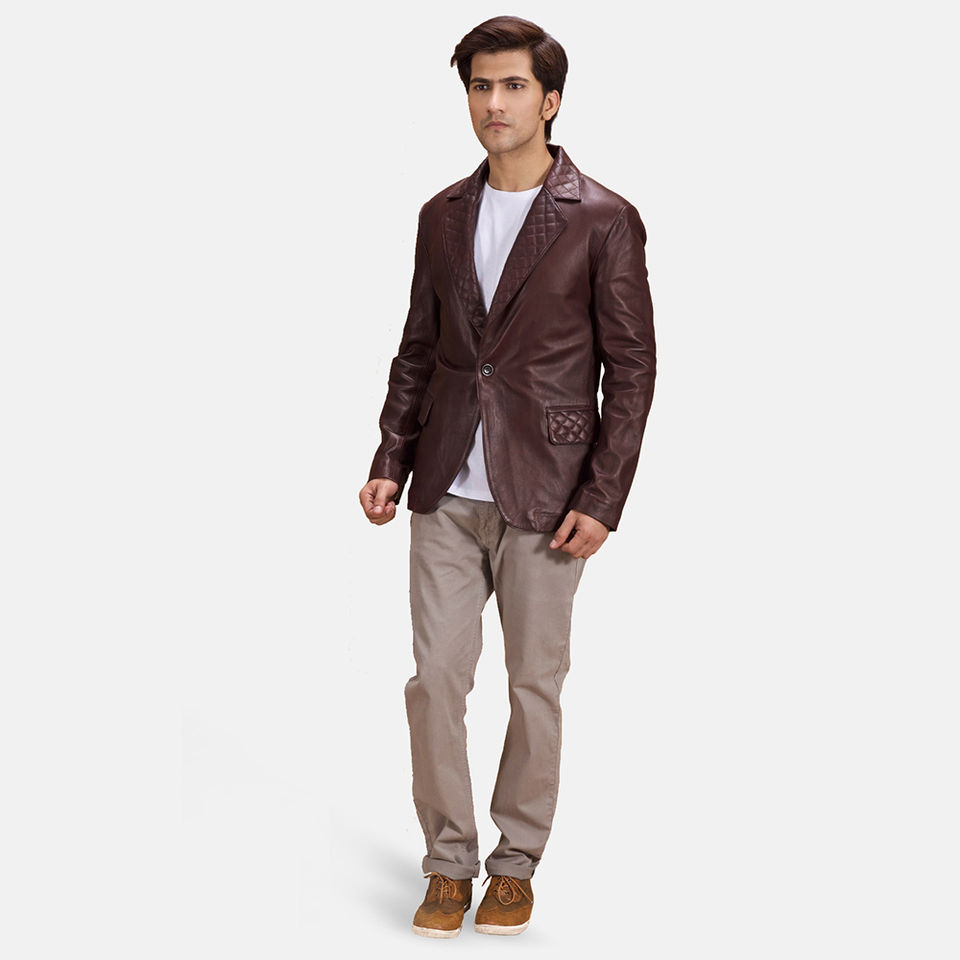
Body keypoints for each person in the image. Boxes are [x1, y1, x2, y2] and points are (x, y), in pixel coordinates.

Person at [358, 15, 656, 938]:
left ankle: (515, 863)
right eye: (481, 86)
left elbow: (632, 368)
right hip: (446, 486)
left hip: (549, 495)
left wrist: (602, 498)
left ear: (550, 100)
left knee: (535, 685)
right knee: (435, 681)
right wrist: (390, 456)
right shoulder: (442, 214)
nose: (495, 102)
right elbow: (419, 346)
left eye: (514, 86)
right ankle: (448, 861)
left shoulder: (602, 217)